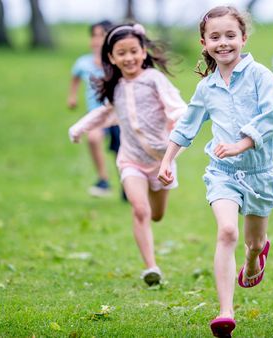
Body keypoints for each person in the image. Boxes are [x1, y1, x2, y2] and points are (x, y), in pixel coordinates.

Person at [158, 6, 273, 337]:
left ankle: (256, 257)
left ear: (243, 38)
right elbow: (188, 125)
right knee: (227, 232)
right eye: (215, 37)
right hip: (222, 172)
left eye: (230, 36)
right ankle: (226, 311)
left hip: (260, 174)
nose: (223, 43)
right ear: (204, 43)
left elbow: (271, 118)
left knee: (253, 242)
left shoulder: (261, 76)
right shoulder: (207, 88)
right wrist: (168, 159)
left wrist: (242, 144)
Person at [69, 23, 187, 286]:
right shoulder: (117, 87)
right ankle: (151, 267)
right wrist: (79, 128)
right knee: (140, 209)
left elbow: (177, 107)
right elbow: (105, 112)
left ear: (143, 52)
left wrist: (179, 122)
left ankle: (151, 248)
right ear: (111, 57)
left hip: (161, 161)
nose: (129, 58)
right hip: (131, 159)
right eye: (121, 53)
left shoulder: (155, 80)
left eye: (134, 51)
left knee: (157, 214)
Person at [67, 20, 122, 197]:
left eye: (102, 35)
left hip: (117, 114)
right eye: (94, 35)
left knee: (120, 151)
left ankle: (126, 185)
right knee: (93, 138)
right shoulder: (83, 62)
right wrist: (72, 96)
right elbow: (75, 77)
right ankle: (103, 179)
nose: (97, 40)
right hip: (96, 114)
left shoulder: (116, 60)